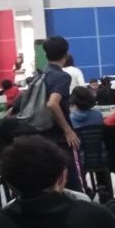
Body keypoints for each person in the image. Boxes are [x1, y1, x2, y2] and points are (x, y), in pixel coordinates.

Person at [35, 36, 83, 191]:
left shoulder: (40, 74)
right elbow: (52, 103)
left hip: (42, 137)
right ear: (66, 55)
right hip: (60, 138)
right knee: (74, 184)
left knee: (53, 184)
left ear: (45, 55)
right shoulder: (61, 76)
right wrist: (68, 130)